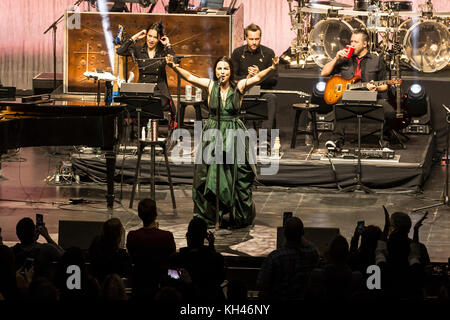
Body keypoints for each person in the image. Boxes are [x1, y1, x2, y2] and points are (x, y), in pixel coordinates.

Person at [166, 54, 279, 229]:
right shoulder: (211, 86)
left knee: (236, 173)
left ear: (231, 71)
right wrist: (174, 66)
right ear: (215, 71)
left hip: (233, 133)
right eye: (219, 68)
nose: (222, 72)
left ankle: (237, 215)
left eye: (226, 68)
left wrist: (271, 68)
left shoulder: (239, 86)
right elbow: (190, 77)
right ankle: (211, 215)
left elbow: (257, 77)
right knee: (209, 172)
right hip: (213, 133)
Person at [320, 28, 396, 142]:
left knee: (391, 113)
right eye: (351, 42)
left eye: (356, 42)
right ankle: (337, 141)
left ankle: (384, 137)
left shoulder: (376, 60)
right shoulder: (344, 59)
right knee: (339, 104)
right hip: (348, 96)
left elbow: (385, 85)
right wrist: (336, 58)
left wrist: (376, 88)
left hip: (370, 96)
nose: (352, 45)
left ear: (365, 44)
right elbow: (324, 72)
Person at [116, 22, 177, 129]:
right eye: (149, 36)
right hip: (142, 89)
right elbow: (120, 51)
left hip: (159, 91)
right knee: (134, 104)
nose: (151, 40)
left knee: (151, 104)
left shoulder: (163, 51)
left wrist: (168, 44)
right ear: (146, 36)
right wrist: (135, 37)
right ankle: (139, 135)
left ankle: (149, 132)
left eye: (155, 37)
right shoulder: (139, 50)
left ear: (160, 39)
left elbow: (175, 61)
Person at [231, 23, 278, 135]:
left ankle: (265, 135)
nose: (254, 42)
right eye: (251, 39)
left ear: (260, 38)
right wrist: (247, 78)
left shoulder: (268, 53)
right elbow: (232, 78)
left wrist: (259, 76)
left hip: (261, 93)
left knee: (272, 98)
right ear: (246, 38)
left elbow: (274, 80)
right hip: (242, 93)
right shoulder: (237, 53)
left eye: (257, 39)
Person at [256, 217, 319, 300]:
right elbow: (311, 248)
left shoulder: (275, 257)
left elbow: (261, 283)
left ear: (284, 234)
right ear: (303, 233)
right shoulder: (312, 252)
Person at [126, 198, 176, 299]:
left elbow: (131, 256)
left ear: (139, 215)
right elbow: (172, 258)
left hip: (139, 284)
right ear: (156, 214)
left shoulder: (132, 236)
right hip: (161, 285)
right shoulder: (167, 236)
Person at [169, 217, 225, 301]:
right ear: (205, 236)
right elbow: (219, 280)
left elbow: (172, 282)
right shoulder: (216, 258)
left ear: (187, 236)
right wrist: (211, 246)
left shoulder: (176, 258)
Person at [88, 218, 131, 283]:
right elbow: (126, 271)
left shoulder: (96, 244)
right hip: (113, 285)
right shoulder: (120, 254)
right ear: (119, 234)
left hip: (98, 282)